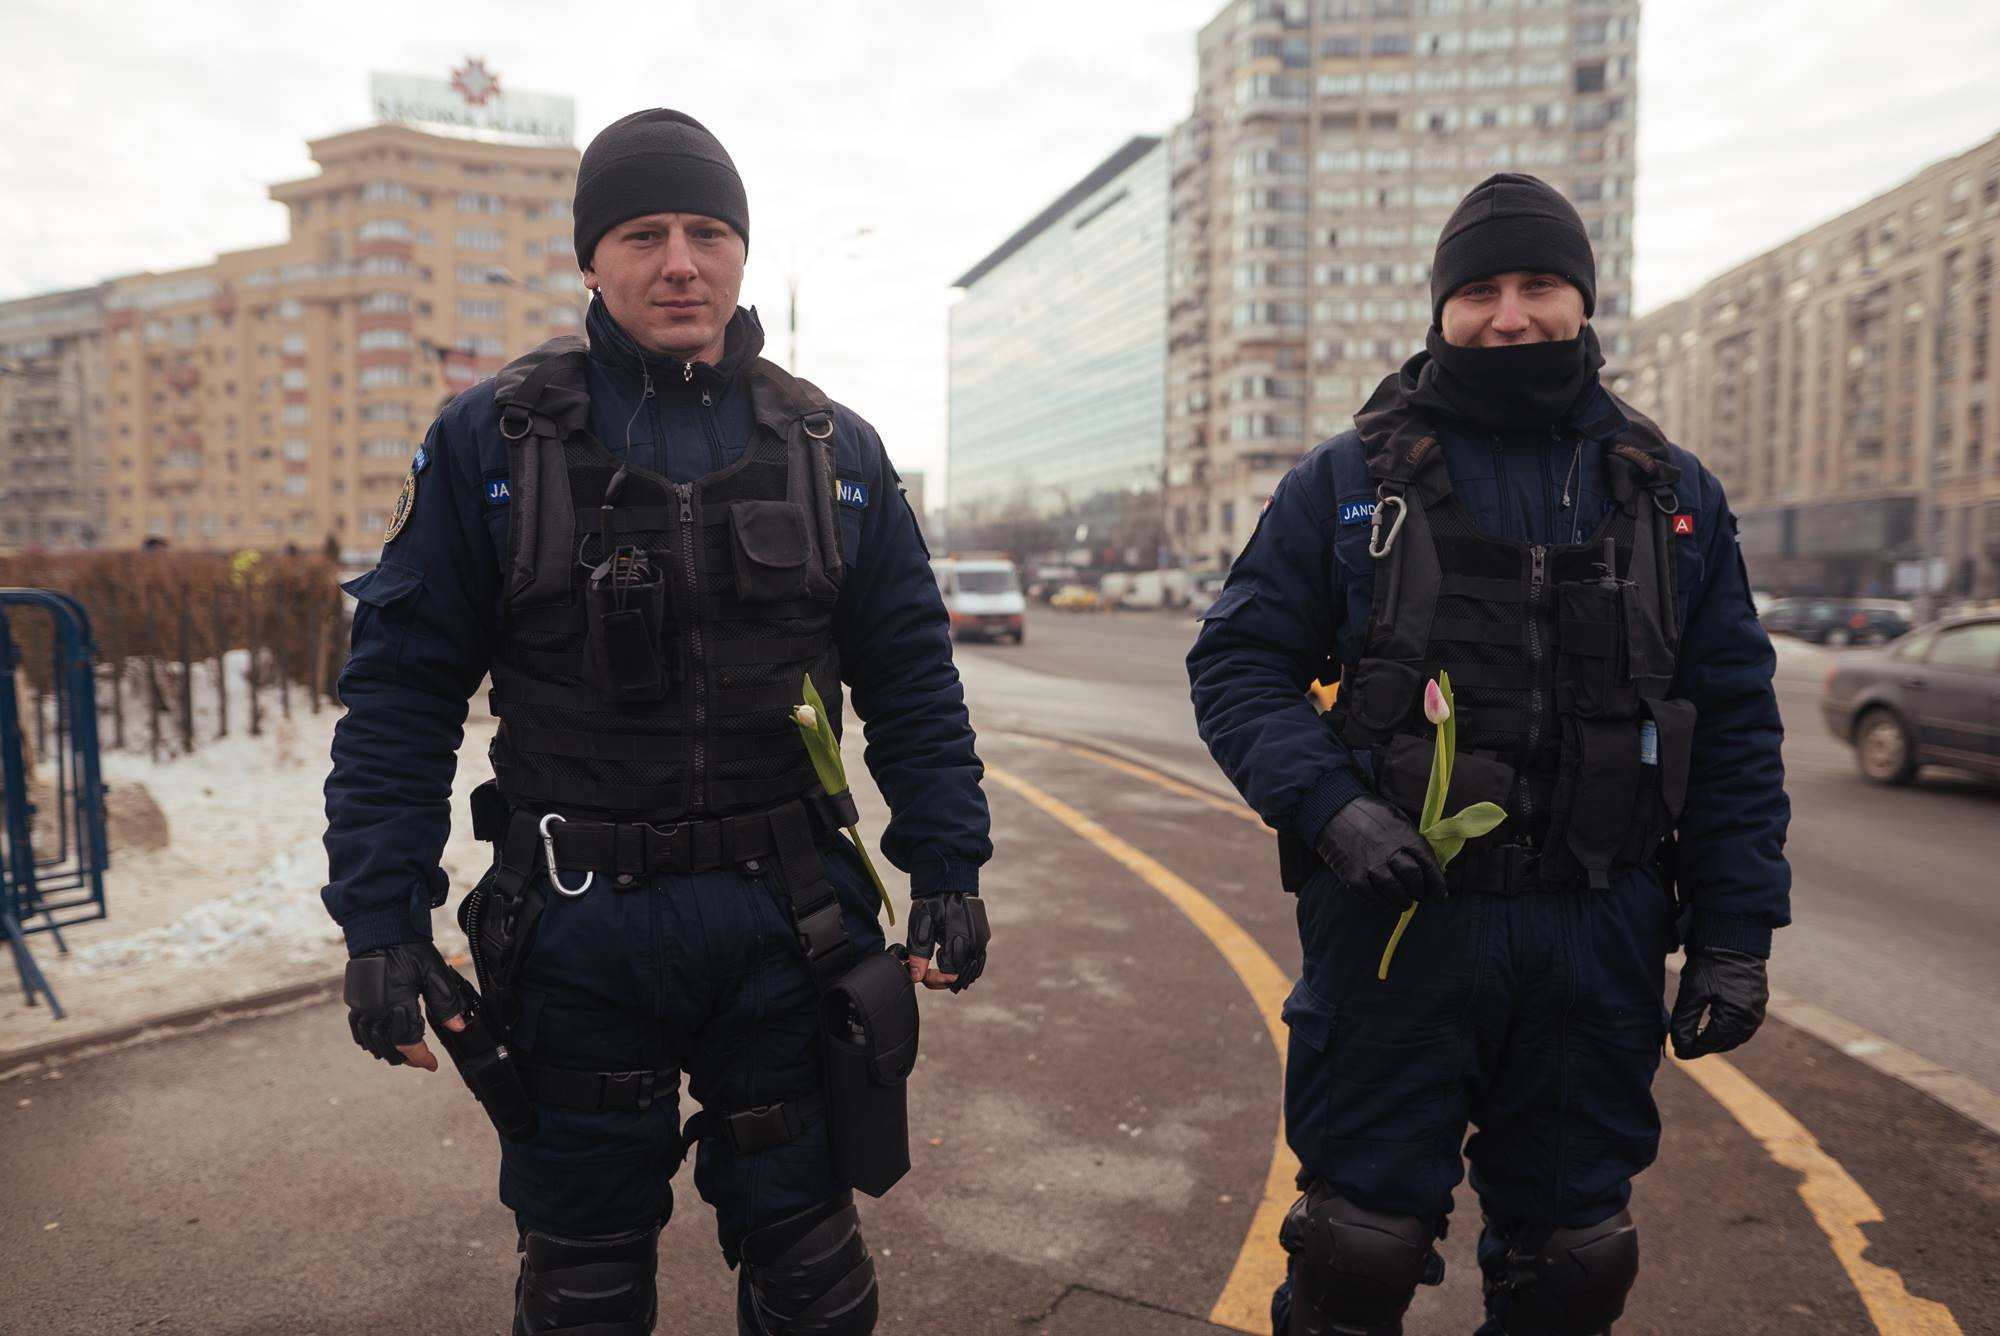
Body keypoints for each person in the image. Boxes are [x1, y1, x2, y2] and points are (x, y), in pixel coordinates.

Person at [322, 109, 992, 1336]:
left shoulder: (834, 448)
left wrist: (947, 860)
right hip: (577, 935)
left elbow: (911, 679)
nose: (678, 260)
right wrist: (378, 915)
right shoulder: (493, 440)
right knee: (581, 1280)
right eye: (642, 233)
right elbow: (400, 696)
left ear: (739, 252)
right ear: (591, 258)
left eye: (707, 231)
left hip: (784, 927)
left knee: (812, 1274)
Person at [1188, 174, 1788, 1336]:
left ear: (1581, 300)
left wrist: (1733, 934)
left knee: (1572, 1264)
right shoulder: (1348, 481)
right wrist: (1329, 810)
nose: (1508, 316)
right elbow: (1236, 666)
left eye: (1536, 286)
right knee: (1355, 1249)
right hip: (1398, 931)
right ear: (1439, 310)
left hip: (1595, 932)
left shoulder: (1669, 494)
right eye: (1477, 291)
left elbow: (1733, 722)